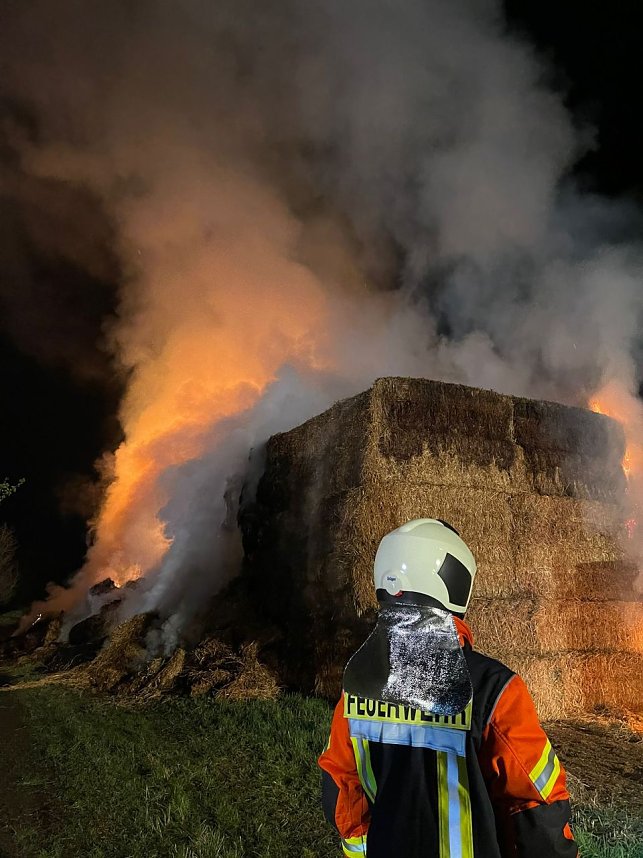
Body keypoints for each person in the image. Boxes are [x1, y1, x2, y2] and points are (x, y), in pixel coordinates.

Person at [318, 518, 577, 857]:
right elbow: (536, 804)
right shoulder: (494, 688)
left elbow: (341, 790)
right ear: (454, 581)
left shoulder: (358, 686)